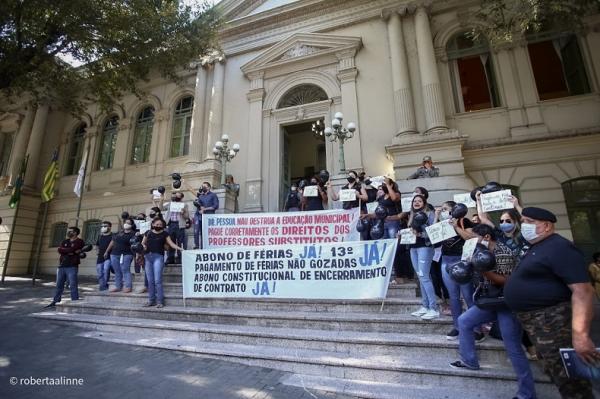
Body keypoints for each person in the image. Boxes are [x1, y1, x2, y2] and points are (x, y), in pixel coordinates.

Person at [504, 207, 598, 398]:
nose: (524, 225)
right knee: (556, 371)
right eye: (522, 221)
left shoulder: (559, 247)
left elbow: (583, 291)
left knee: (569, 379)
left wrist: (580, 335)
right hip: (538, 323)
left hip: (553, 323)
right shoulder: (536, 247)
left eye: (529, 221)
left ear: (546, 226)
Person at [451, 223, 536, 399]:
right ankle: (469, 360)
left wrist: (482, 271)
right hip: (489, 301)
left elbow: (505, 281)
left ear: (487, 237)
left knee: (512, 346)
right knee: (464, 321)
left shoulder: (502, 252)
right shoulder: (479, 252)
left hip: (506, 303)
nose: (471, 241)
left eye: (475, 237)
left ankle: (527, 394)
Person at [435, 201, 481, 340]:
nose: (443, 211)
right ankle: (457, 326)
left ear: (454, 210)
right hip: (446, 260)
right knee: (453, 297)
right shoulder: (442, 223)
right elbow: (433, 239)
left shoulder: (464, 221)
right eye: (441, 209)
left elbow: (470, 238)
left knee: (468, 295)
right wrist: (436, 218)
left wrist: (456, 227)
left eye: (445, 209)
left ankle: (477, 329)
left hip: (462, 260)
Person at [407, 194, 439, 320]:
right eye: (415, 201)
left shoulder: (430, 214)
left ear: (424, 203)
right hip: (413, 247)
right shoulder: (412, 215)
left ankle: (434, 308)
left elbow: (433, 231)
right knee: (421, 277)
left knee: (424, 277)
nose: (417, 202)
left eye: (419, 201)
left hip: (425, 247)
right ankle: (425, 306)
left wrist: (419, 234)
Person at [141, 217, 183, 308]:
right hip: (148, 257)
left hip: (158, 257)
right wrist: (143, 247)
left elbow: (171, 244)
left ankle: (160, 301)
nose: (158, 226)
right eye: (157, 224)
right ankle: (151, 301)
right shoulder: (148, 232)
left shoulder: (165, 234)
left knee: (157, 280)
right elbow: (143, 243)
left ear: (163, 226)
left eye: (160, 225)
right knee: (150, 281)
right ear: (153, 224)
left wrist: (180, 249)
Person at [46, 226, 84, 307]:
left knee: (73, 285)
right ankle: (55, 301)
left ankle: (75, 301)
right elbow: (59, 250)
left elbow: (72, 249)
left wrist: (67, 251)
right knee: (59, 284)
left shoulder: (79, 241)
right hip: (62, 266)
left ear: (75, 233)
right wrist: (70, 251)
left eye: (71, 231)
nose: (69, 232)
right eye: (68, 231)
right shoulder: (65, 241)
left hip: (72, 266)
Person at [106, 218, 136, 293]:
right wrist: (107, 251)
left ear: (132, 225)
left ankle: (128, 286)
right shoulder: (119, 233)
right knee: (117, 271)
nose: (126, 224)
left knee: (125, 270)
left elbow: (135, 245)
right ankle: (118, 286)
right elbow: (112, 242)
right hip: (114, 254)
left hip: (126, 254)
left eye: (129, 223)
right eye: (125, 222)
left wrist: (137, 255)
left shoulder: (133, 234)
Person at [191, 182, 218, 249]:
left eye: (204, 186)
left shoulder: (213, 195)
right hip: (198, 216)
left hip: (208, 217)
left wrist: (205, 209)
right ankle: (196, 245)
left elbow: (215, 206)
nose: (203, 187)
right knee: (196, 230)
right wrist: (199, 208)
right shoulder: (200, 196)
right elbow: (198, 205)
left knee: (204, 233)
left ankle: (203, 248)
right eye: (202, 186)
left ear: (209, 187)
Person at [164, 191, 189, 263]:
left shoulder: (184, 205)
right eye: (175, 196)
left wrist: (183, 213)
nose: (175, 197)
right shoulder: (170, 204)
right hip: (171, 224)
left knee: (180, 241)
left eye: (177, 196)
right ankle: (170, 257)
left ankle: (180, 257)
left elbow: (187, 217)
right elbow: (161, 208)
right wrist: (162, 198)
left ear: (181, 197)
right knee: (170, 241)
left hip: (179, 225)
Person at [96, 221, 113, 291]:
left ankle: (104, 285)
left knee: (106, 270)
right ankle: (102, 285)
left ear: (109, 227)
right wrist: (97, 251)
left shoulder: (112, 236)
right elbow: (97, 245)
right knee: (100, 272)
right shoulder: (100, 236)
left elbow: (112, 244)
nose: (103, 227)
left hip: (108, 256)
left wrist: (106, 252)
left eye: (105, 226)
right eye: (102, 226)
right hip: (100, 257)